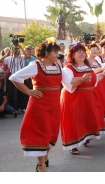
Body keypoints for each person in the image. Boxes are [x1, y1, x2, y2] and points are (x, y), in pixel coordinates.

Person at [9, 37, 66, 172]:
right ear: (46, 53)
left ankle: (44, 158)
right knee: (42, 133)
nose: (58, 55)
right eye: (55, 53)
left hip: (54, 106)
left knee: (51, 133)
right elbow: (14, 77)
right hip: (39, 106)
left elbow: (68, 80)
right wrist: (29, 91)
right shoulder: (35, 65)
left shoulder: (58, 66)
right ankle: (41, 166)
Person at [60, 42, 105, 156]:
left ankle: (85, 138)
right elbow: (69, 83)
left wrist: (104, 74)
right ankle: (73, 145)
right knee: (74, 120)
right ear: (73, 55)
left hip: (88, 97)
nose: (81, 54)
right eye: (78, 52)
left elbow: (94, 79)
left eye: (83, 52)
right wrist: (82, 79)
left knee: (86, 118)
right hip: (73, 98)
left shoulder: (88, 66)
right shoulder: (68, 68)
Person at [0, 44, 29, 113]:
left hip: (21, 77)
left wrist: (21, 48)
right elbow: (1, 60)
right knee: (11, 93)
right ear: (12, 51)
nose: (16, 51)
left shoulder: (21, 57)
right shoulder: (9, 58)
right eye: (14, 50)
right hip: (12, 77)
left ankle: (22, 107)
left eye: (17, 50)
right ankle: (13, 107)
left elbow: (27, 56)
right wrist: (6, 54)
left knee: (22, 92)